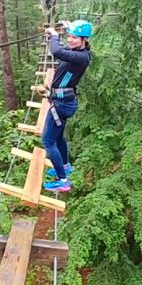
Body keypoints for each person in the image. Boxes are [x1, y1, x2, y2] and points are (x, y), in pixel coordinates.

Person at [41, 20, 93, 192]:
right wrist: (67, 29)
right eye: (69, 36)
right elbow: (62, 50)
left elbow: (56, 50)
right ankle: (65, 165)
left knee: (47, 141)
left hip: (62, 104)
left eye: (74, 37)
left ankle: (62, 180)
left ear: (84, 39)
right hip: (63, 102)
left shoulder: (81, 57)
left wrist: (54, 36)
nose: (70, 40)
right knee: (57, 137)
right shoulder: (77, 52)